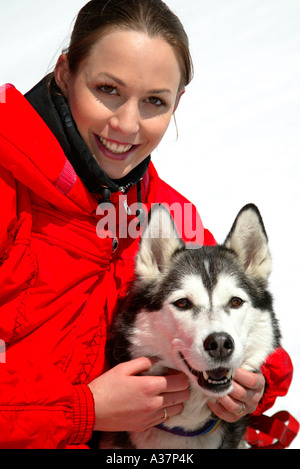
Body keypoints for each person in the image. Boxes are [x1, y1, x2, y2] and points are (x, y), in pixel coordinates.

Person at [0, 0, 293, 449]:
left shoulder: (168, 216)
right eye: (108, 89)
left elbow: (239, 319)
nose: (127, 124)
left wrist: (254, 383)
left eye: (154, 100)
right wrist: (82, 410)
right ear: (64, 73)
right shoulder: (8, 187)